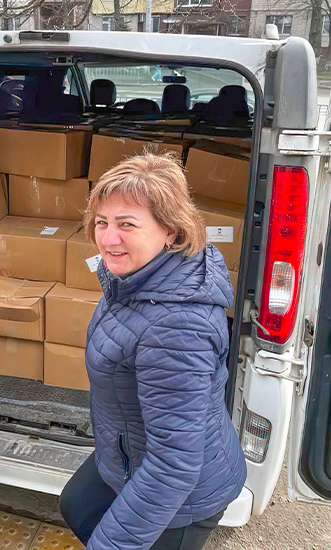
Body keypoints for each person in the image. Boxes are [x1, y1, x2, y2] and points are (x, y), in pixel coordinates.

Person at [59, 154, 244, 550]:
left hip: (182, 495)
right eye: (102, 222)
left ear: (172, 232)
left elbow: (173, 464)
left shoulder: (176, 327)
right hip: (132, 453)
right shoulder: (136, 279)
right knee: (79, 505)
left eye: (127, 224)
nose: (107, 238)